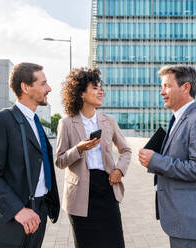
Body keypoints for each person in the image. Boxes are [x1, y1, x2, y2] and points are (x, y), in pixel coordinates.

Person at [0, 62, 60, 248]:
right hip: (16, 217)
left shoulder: (35, 121)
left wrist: (46, 206)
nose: (49, 88)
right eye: (43, 83)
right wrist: (18, 210)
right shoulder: (1, 120)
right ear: (25, 87)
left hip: (39, 211)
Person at [138, 65, 196, 248]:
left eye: (167, 86)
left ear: (185, 87)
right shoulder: (177, 119)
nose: (162, 92)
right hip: (180, 219)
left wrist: (156, 160)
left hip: (189, 221)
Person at [55, 67, 131, 248]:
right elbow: (59, 160)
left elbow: (126, 150)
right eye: (95, 88)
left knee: (115, 243)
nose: (100, 91)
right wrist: (78, 149)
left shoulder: (109, 121)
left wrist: (119, 169)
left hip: (107, 189)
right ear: (81, 93)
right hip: (80, 195)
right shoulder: (66, 123)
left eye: (100, 88)